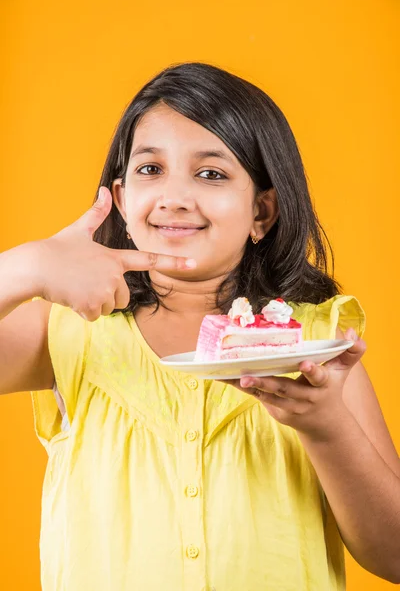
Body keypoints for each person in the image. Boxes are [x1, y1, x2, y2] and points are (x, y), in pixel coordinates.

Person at [0, 61, 399, 591]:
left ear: (262, 212)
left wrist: (327, 426)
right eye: (150, 170)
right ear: (119, 200)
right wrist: (23, 267)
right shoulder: (69, 330)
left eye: (211, 174)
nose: (175, 197)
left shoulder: (312, 344)